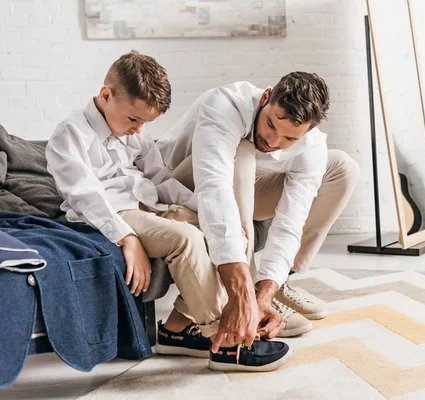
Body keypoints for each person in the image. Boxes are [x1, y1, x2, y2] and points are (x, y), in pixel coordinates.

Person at [45, 51, 291, 372]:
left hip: (149, 206)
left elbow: (159, 178)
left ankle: (194, 327)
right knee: (185, 238)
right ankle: (226, 341)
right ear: (106, 95)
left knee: (222, 229)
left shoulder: (132, 132)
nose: (138, 130)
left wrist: (203, 209)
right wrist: (127, 238)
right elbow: (83, 196)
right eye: (134, 119)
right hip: (112, 214)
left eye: (145, 123)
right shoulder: (71, 134)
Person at [157, 72, 360, 338]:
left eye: (289, 139)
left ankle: (274, 285)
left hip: (247, 183)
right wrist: (240, 295)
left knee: (342, 167)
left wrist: (266, 292)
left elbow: (290, 222)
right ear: (265, 97)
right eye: (271, 125)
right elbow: (214, 192)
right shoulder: (224, 104)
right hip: (180, 189)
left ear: (307, 131)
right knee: (243, 152)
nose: (274, 142)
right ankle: (247, 291)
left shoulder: (311, 145)